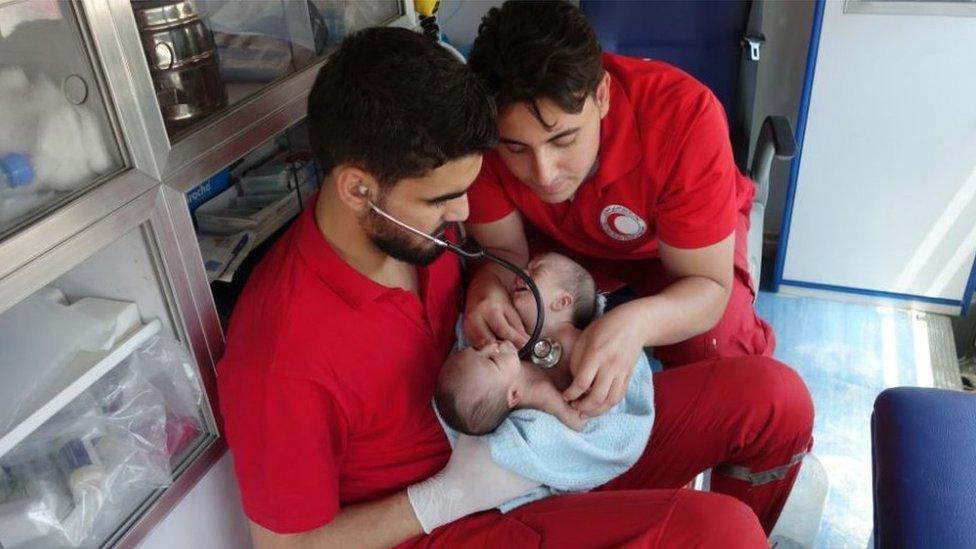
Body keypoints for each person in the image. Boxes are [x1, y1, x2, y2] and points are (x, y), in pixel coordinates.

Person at [217, 25, 809, 549]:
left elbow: (495, 270)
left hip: (537, 444)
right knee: (717, 535)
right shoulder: (281, 356)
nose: (466, 210)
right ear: (357, 189)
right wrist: (440, 501)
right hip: (456, 518)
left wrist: (493, 292)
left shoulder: (417, 237)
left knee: (773, 398)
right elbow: (287, 547)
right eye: (443, 199)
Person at [463, 0, 779, 419]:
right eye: (516, 148)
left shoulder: (685, 119)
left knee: (723, 353)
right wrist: (485, 286)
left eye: (563, 141)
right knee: (507, 343)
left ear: (602, 96)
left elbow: (705, 285)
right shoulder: (480, 132)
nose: (543, 174)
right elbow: (505, 253)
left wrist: (635, 324)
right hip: (555, 246)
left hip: (677, 251)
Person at [435, 252, 601, 434]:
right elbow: (576, 422)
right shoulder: (534, 389)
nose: (490, 344)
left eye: (535, 271)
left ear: (562, 302)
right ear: (514, 395)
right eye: (492, 360)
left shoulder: (582, 338)